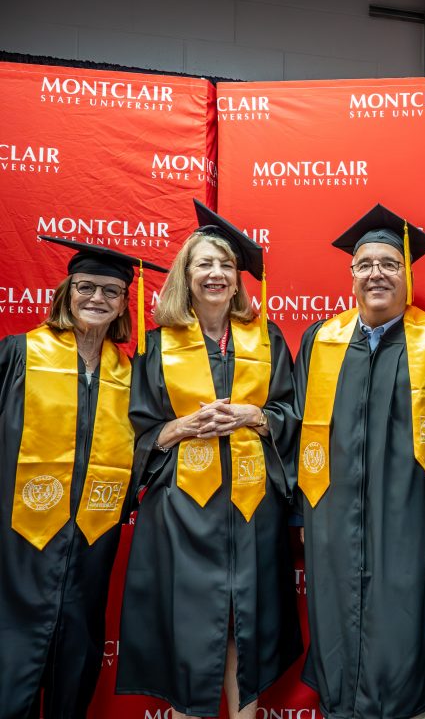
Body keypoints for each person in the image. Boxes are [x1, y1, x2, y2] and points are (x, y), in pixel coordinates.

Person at [116, 199, 301, 719]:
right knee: (190, 631)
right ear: (187, 275)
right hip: (182, 514)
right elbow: (135, 431)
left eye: (225, 264)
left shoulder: (266, 339)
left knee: (248, 627)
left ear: (238, 279)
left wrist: (253, 415)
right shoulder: (157, 346)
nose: (216, 273)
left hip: (252, 509)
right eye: (204, 264)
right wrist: (181, 428)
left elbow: (293, 414)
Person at [293, 203, 425, 719]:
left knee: (404, 622)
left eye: (389, 263)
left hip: (410, 515)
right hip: (331, 517)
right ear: (352, 275)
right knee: (337, 621)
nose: (377, 273)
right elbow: (298, 430)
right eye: (365, 264)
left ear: (408, 273)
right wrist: (301, 515)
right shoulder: (321, 340)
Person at [0, 236, 165, 719]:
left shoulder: (131, 375)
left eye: (111, 291)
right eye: (86, 287)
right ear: (67, 293)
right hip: (17, 541)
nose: (97, 298)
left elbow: (144, 451)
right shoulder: (19, 355)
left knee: (75, 655)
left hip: (92, 543)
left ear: (124, 304)